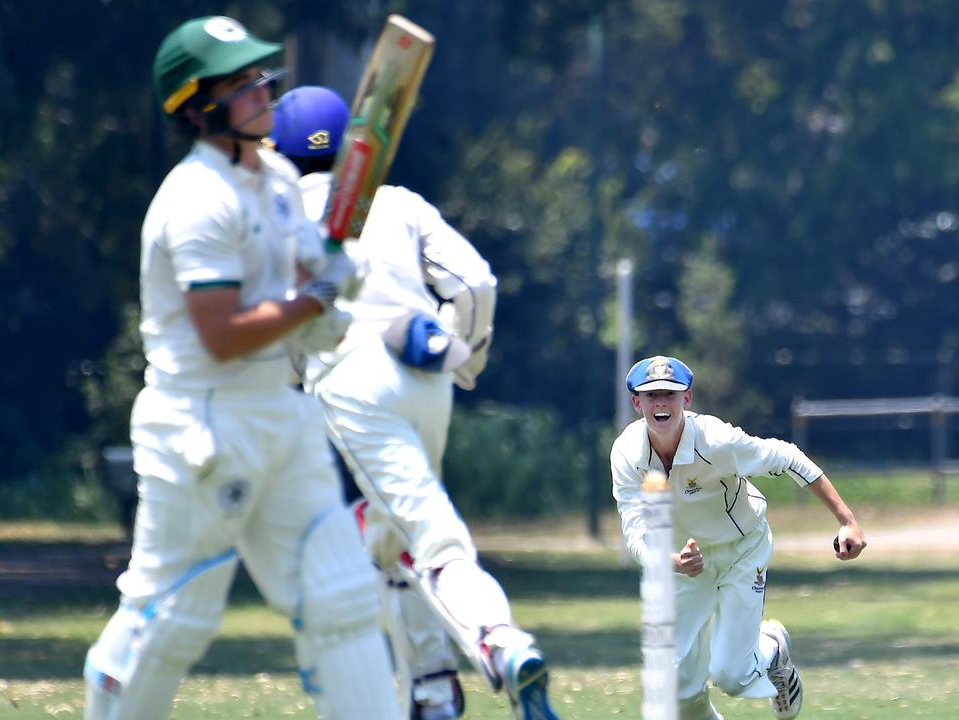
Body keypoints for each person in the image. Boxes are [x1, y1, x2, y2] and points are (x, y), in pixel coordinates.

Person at [83, 19, 398, 720]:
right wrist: (315, 299)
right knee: (173, 617)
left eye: (259, 76)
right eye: (239, 83)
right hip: (201, 422)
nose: (262, 90)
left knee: (343, 600)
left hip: (280, 412)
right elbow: (223, 333)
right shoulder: (195, 199)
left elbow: (286, 280)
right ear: (196, 107)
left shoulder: (280, 178)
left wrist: (325, 275)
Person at [271, 85, 560, 720]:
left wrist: (298, 381)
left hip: (350, 381)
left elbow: (286, 334)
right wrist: (465, 358)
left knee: (430, 535)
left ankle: (497, 640)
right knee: (388, 534)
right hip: (425, 372)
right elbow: (476, 281)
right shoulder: (397, 202)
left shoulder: (283, 221)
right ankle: (431, 688)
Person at [611, 355, 868, 720]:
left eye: (670, 393)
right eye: (651, 396)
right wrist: (673, 562)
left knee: (731, 675)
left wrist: (848, 520)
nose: (661, 403)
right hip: (685, 564)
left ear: (688, 398)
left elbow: (788, 457)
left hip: (741, 552)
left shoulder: (717, 441)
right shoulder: (626, 454)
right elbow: (634, 529)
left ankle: (772, 649)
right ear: (637, 403)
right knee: (678, 688)